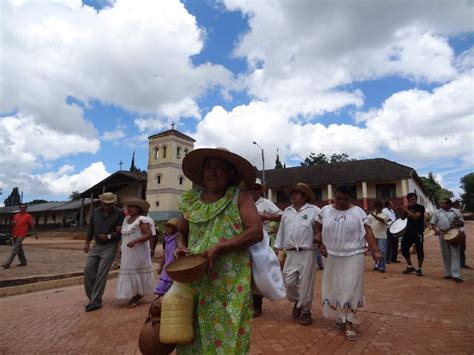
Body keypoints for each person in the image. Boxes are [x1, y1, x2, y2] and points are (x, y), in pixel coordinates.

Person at [174, 147, 262, 354]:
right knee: (191, 335)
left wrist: (220, 247)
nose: (212, 172)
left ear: (231, 173)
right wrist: (181, 248)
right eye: (208, 168)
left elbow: (256, 231)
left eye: (219, 168)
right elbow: (180, 233)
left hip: (229, 283)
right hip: (194, 279)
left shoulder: (239, 197)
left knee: (225, 335)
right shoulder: (190, 200)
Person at [315, 185, 382, 341]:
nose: (341, 202)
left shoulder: (358, 212)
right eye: (338, 198)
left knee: (351, 287)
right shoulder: (325, 210)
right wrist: (320, 242)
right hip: (332, 255)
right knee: (337, 287)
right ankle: (342, 317)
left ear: (350, 199)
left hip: (354, 254)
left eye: (345, 199)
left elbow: (368, 231)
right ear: (334, 196)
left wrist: (375, 249)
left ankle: (349, 321)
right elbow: (317, 226)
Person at [274, 182, 320, 326]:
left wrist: (320, 237)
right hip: (290, 251)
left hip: (308, 251)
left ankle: (306, 311)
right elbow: (281, 230)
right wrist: (278, 248)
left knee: (306, 283)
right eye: (292, 193)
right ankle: (298, 301)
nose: (293, 195)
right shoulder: (287, 211)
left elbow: (323, 227)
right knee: (288, 282)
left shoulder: (314, 210)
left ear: (305, 196)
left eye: (297, 193)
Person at [83, 192, 125, 312]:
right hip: (96, 245)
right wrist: (86, 243)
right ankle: (93, 298)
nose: (107, 206)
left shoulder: (119, 213)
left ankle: (95, 301)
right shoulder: (96, 212)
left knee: (101, 273)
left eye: (110, 204)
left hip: (110, 246)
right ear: (101, 202)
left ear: (113, 203)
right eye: (105, 204)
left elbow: (121, 231)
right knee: (88, 271)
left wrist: (109, 236)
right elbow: (91, 228)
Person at [249, 177, 282, 317]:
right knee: (246, 274)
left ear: (260, 190)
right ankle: (246, 304)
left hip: (261, 243)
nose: (253, 191)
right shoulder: (243, 202)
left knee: (259, 274)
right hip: (244, 242)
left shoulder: (266, 203)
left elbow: (281, 215)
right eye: (251, 188)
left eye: (256, 188)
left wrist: (267, 217)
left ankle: (257, 306)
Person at [115, 198, 155, 307]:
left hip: (139, 252)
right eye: (129, 207)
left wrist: (135, 241)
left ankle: (137, 295)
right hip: (128, 252)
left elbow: (148, 234)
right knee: (128, 271)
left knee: (137, 271)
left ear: (139, 209)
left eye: (133, 207)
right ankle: (135, 294)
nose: (130, 209)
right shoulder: (126, 219)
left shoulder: (142, 220)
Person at [431, 198, 465, 283]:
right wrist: (436, 231)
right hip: (442, 234)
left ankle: (456, 275)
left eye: (443, 203)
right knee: (445, 254)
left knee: (455, 253)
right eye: (440, 203)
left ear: (448, 204)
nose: (441, 205)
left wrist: (458, 222)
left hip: (454, 233)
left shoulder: (456, 212)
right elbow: (433, 223)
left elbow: (462, 223)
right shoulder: (437, 212)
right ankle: (448, 273)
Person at [2, 203, 35, 269]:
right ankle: (23, 262)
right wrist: (13, 223)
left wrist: (35, 233)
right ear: (19, 208)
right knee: (19, 248)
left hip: (22, 234)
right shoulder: (16, 215)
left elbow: (32, 225)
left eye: (24, 207)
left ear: (26, 208)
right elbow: (12, 224)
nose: (22, 208)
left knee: (15, 248)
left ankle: (8, 263)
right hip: (15, 233)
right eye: (21, 207)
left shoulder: (28, 216)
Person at [401, 192, 425, 276]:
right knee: (404, 248)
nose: (412, 201)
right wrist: (403, 210)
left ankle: (419, 268)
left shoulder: (420, 207)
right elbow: (402, 218)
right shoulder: (408, 207)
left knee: (419, 249)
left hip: (418, 231)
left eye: (414, 199)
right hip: (408, 231)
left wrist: (406, 210)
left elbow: (416, 217)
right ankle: (410, 266)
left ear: (416, 199)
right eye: (410, 200)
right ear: (408, 200)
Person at [154, 217, 179, 296]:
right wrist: (160, 266)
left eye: (169, 227)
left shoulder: (177, 239)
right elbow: (165, 253)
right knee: (163, 289)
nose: (166, 229)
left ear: (175, 229)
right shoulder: (167, 239)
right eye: (166, 226)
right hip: (167, 266)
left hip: (174, 266)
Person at [368, 201, 390, 273]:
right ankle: (376, 264)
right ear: (374, 207)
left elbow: (382, 220)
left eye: (379, 207)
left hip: (382, 236)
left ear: (381, 207)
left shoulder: (384, 214)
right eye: (376, 206)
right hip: (372, 236)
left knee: (382, 251)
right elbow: (368, 224)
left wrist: (373, 215)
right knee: (373, 252)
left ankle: (382, 266)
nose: (377, 208)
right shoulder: (370, 215)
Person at [451, 197, 470, 269]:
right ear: (454, 203)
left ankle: (462, 263)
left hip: (461, 231)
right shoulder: (451, 211)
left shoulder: (458, 211)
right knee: (455, 248)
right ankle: (457, 263)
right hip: (455, 232)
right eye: (458, 202)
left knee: (462, 248)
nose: (459, 203)